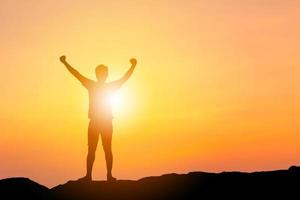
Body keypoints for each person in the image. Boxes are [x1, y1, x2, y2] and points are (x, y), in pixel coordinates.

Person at [60, 55, 137, 182]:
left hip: (103, 122)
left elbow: (124, 79)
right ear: (101, 75)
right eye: (101, 73)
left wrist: (133, 66)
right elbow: (76, 74)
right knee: (95, 149)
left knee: (103, 149)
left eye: (103, 73)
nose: (102, 75)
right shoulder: (96, 85)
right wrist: (65, 63)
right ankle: (93, 176)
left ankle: (105, 176)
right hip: (98, 122)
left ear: (104, 75)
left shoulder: (94, 85)